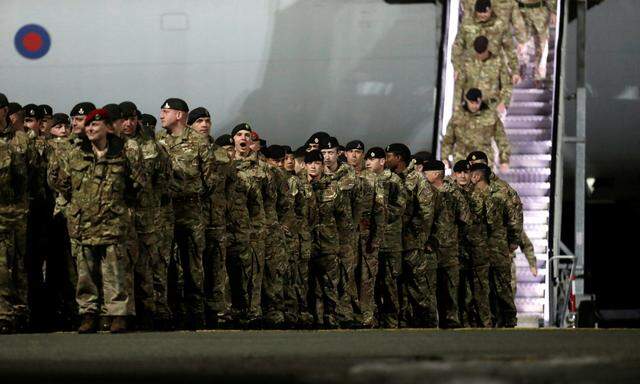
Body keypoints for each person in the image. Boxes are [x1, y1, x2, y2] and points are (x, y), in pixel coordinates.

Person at [50, 108, 146, 333]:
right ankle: (88, 314)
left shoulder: (124, 152)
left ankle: (118, 315)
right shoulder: (75, 153)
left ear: (107, 128)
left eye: (96, 125)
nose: (91, 129)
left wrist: (117, 205)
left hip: (113, 222)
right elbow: (61, 182)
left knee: (115, 271)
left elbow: (136, 185)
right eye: (89, 125)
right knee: (86, 274)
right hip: (83, 222)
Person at [157, 98, 213, 330]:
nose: (161, 116)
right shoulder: (158, 141)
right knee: (164, 261)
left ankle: (195, 312)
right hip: (165, 209)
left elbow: (210, 179)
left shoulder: (199, 141)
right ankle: (168, 311)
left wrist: (192, 192)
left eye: (165, 112)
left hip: (190, 210)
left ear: (179, 115)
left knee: (193, 263)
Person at [305, 150, 353, 328]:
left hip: (328, 245)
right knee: (306, 284)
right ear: (305, 165)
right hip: (306, 244)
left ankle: (331, 318)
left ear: (322, 166)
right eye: (310, 163)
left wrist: (342, 243)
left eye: (317, 163)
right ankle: (311, 318)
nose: (313, 166)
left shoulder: (333, 189)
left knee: (330, 285)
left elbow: (344, 218)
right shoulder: (298, 186)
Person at [469, 163, 519, 327]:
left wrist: (513, 240)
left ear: (476, 176)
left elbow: (513, 219)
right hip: (490, 248)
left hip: (488, 248)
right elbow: (513, 219)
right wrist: (512, 240)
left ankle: (503, 320)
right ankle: (498, 321)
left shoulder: (491, 194)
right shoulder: (499, 193)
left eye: (471, 174)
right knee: (491, 287)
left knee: (497, 287)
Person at [321, 136, 362, 327]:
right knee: (327, 275)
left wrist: (351, 227)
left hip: (345, 234)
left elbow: (357, 205)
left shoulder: (350, 175)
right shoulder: (317, 175)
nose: (327, 157)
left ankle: (345, 313)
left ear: (338, 153)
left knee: (346, 274)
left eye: (331, 153)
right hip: (324, 235)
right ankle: (328, 315)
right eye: (324, 153)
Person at [425, 160, 471, 328]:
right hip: (429, 247)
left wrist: (456, 237)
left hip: (450, 248)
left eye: (427, 172)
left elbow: (465, 218)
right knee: (430, 285)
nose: (424, 175)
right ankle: (430, 320)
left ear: (436, 174)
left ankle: (450, 318)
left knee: (450, 285)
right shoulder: (425, 191)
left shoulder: (453, 192)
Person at [367, 147, 406, 328]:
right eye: (367, 159)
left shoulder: (394, 181)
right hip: (372, 243)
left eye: (373, 159)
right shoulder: (365, 180)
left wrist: (378, 214)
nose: (368, 162)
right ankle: (374, 320)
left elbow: (400, 208)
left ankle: (391, 322)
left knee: (390, 284)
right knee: (371, 284)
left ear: (382, 161)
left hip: (390, 242)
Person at [452, 0, 521, 85]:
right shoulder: (467, 24)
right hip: (470, 71)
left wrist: (515, 71)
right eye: (480, 14)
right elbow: (458, 46)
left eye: (485, 13)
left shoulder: (500, 25)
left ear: (490, 10)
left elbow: (509, 48)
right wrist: (457, 67)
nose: (483, 16)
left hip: (493, 73)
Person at [442, 88, 510, 170]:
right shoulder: (457, 115)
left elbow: (501, 138)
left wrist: (504, 160)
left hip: (483, 159)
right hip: (461, 158)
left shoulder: (491, 115)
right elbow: (449, 138)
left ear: (481, 100)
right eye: (472, 103)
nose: (474, 106)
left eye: (477, 103)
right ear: (466, 100)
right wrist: (445, 157)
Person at [0, 137, 28, 334]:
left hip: (5, 215)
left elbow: (21, 182)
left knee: (4, 267)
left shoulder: (7, 150)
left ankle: (5, 314)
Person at [455, 36, 513, 116]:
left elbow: (507, 84)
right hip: (471, 107)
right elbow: (459, 84)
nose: (480, 56)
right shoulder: (467, 61)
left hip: (492, 107)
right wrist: (457, 106)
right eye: (478, 53)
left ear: (487, 49)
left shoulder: (498, 62)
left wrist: (503, 102)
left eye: (482, 53)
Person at [518, 0, 556, 84]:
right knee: (521, 42)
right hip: (522, 10)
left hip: (540, 10)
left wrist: (554, 11)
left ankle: (538, 75)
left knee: (541, 44)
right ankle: (519, 69)